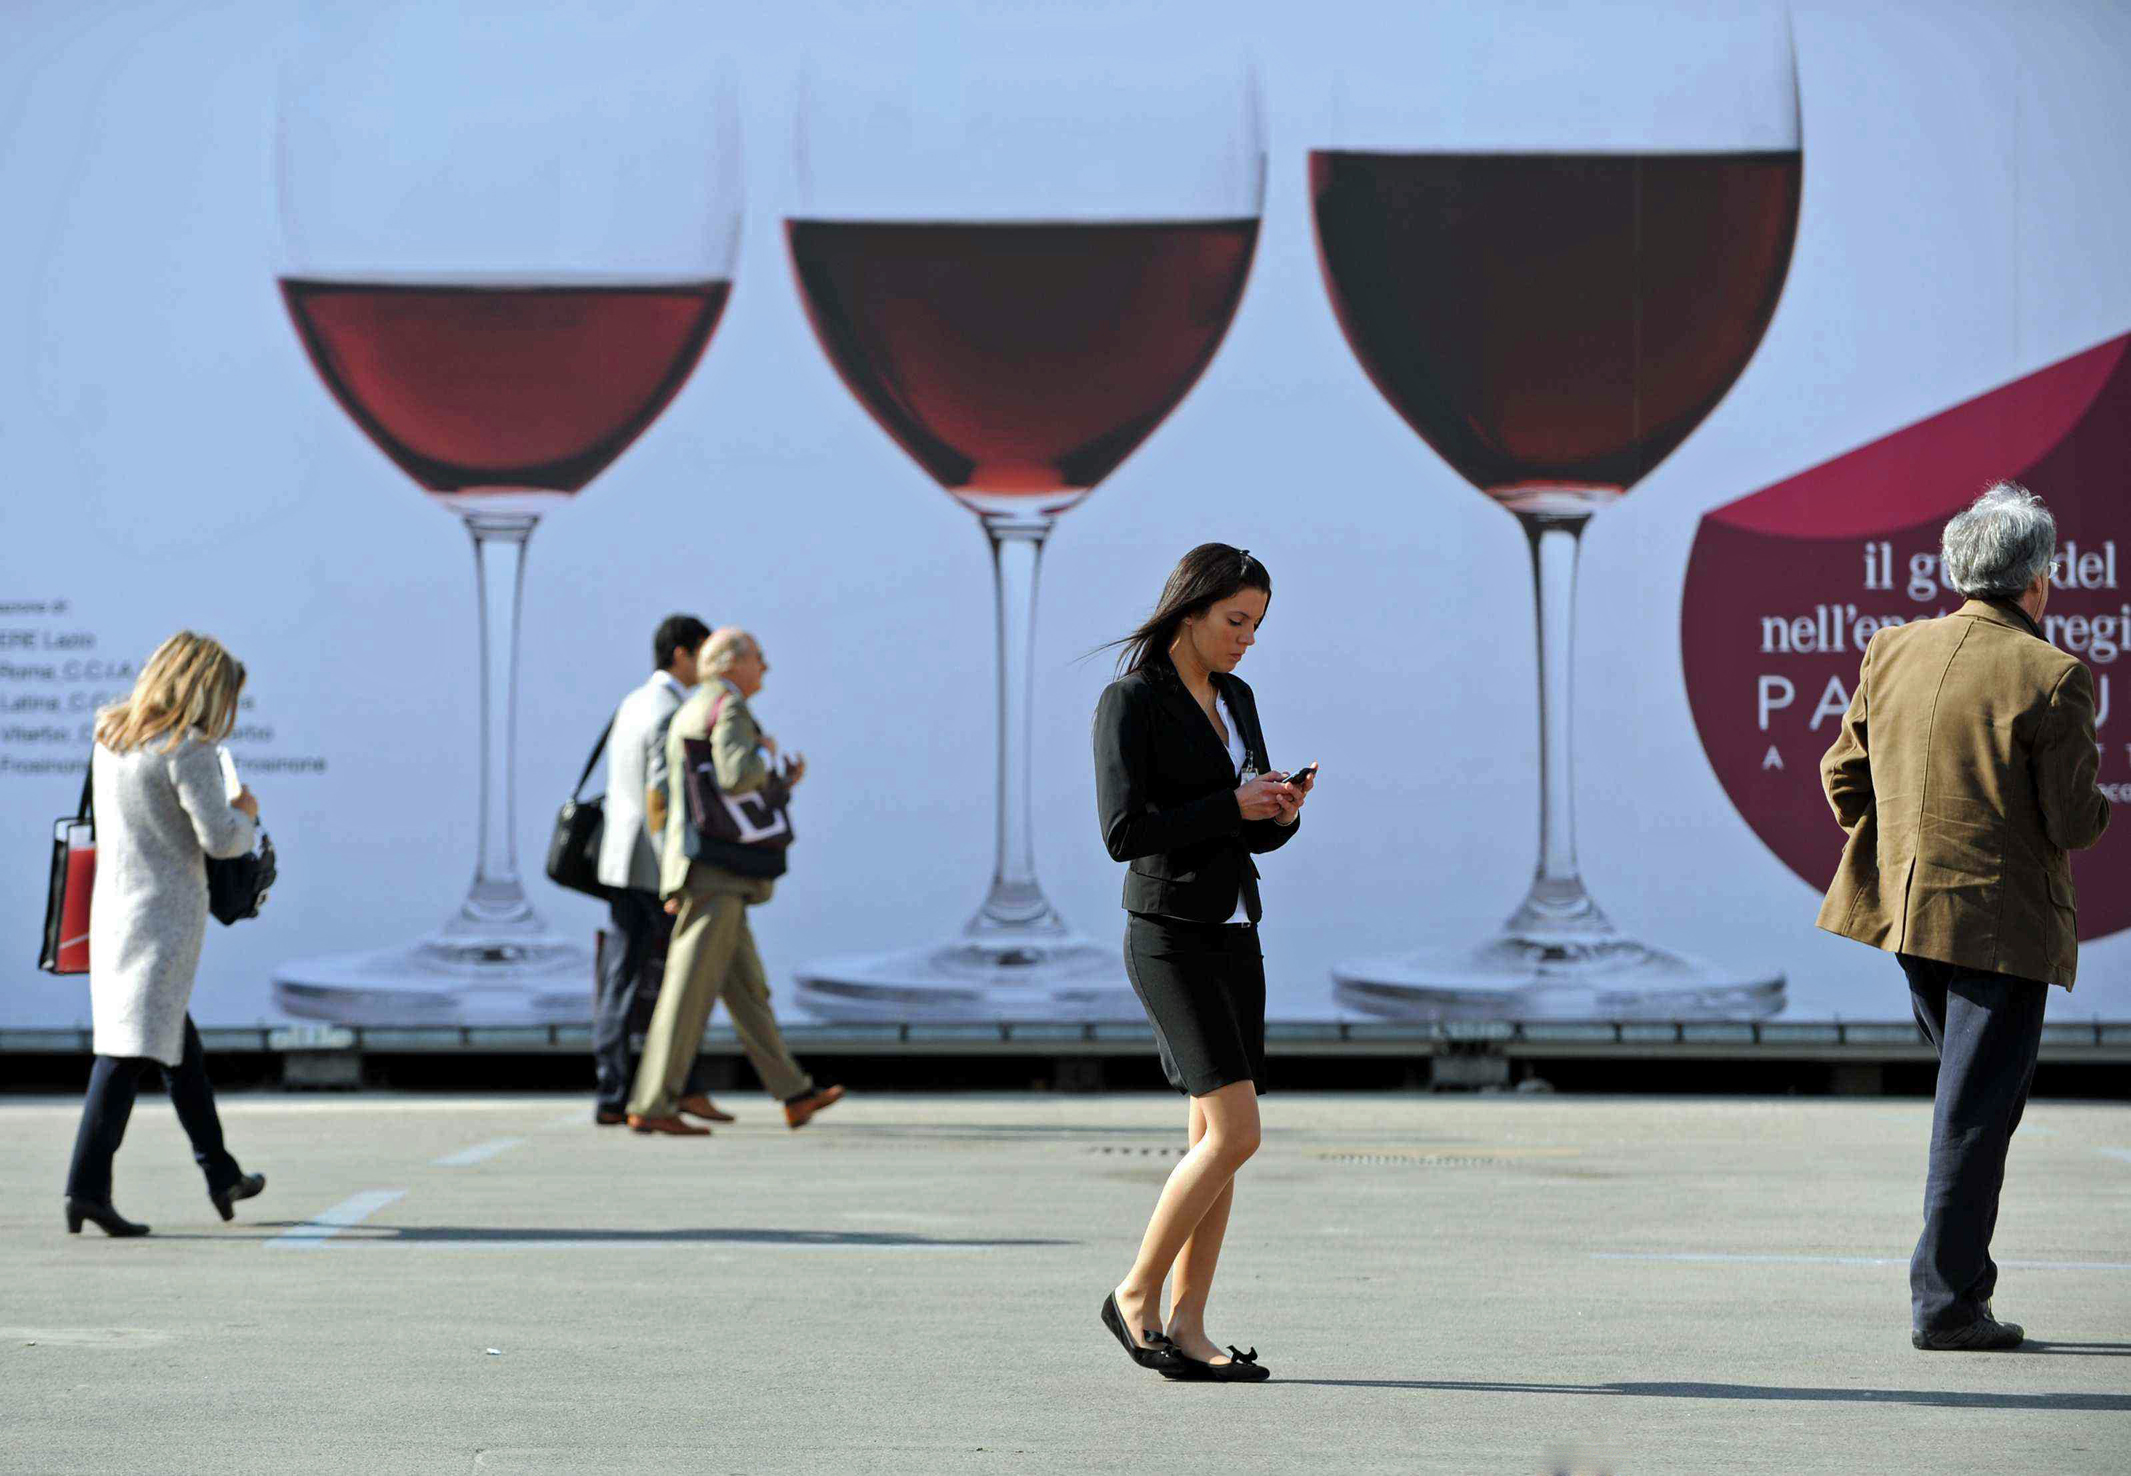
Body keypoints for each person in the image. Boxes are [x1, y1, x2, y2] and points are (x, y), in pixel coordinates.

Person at [1817, 482, 2110, 1351]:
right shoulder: (2052, 674)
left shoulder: (1890, 649)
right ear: (2036, 582)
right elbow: (2070, 820)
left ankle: (1960, 1291)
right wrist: (2101, 812)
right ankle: (1946, 1303)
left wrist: (1897, 839)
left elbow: (1842, 778)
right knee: (1975, 1116)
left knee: (1965, 1107)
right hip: (2001, 929)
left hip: (1911, 920)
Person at [1090, 544, 1312, 1382]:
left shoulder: (1238, 697)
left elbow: (1244, 828)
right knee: (1235, 1134)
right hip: (1167, 934)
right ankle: (1134, 1296)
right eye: (1234, 622)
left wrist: (1276, 812)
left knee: (1210, 1138)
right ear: (1189, 611)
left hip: (1232, 929)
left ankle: (1188, 1325)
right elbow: (1122, 834)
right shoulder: (1130, 701)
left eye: (1255, 626)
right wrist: (1228, 802)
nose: (1246, 640)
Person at [64, 631, 269, 1237]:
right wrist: (248, 815)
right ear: (205, 686)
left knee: (178, 1052)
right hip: (162, 922)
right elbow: (220, 838)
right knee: (125, 1056)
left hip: (116, 912)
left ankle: (221, 1173)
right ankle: (85, 1189)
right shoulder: (189, 749)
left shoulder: (113, 735)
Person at [625, 627, 845, 1136]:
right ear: (729, 664)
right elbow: (734, 775)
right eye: (759, 658)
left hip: (701, 867)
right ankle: (653, 1102)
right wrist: (763, 756)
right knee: (685, 991)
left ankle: (794, 1092)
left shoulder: (692, 706)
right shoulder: (729, 706)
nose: (765, 668)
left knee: (748, 990)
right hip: (716, 875)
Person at [590, 613, 727, 1128]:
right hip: (652, 864)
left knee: (623, 976)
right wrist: (674, 877)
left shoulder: (632, 701)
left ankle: (614, 1090)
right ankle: (674, 1089)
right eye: (704, 654)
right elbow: (658, 797)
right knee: (681, 979)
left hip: (620, 858)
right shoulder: (672, 709)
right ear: (682, 654)